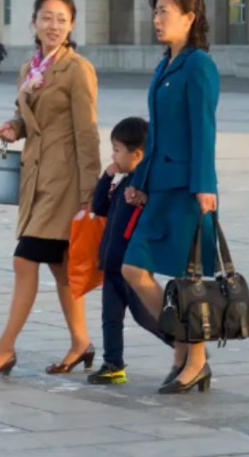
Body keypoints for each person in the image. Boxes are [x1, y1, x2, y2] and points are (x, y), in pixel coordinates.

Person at [0, 0, 101, 378]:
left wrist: (90, 194)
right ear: (34, 22)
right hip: (35, 178)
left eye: (62, 19)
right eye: (47, 17)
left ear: (72, 25)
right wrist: (16, 126)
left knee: (24, 259)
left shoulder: (78, 69)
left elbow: (87, 132)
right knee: (60, 266)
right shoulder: (30, 67)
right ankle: (81, 343)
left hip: (65, 182)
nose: (54, 26)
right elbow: (26, 115)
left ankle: (5, 348)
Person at [121, 0, 220, 394]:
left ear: (189, 18)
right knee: (133, 267)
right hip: (159, 187)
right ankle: (182, 342)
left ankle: (193, 359)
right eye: (155, 12)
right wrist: (139, 181)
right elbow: (156, 132)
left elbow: (204, 130)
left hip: (186, 190)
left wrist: (204, 187)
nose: (157, 19)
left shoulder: (198, 65)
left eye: (165, 11)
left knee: (188, 279)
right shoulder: (166, 65)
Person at [87, 117, 171, 386]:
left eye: (117, 150)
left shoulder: (142, 186)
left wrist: (143, 199)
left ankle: (187, 349)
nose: (113, 155)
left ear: (137, 154)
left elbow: (157, 216)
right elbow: (98, 207)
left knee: (147, 317)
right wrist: (107, 176)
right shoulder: (124, 182)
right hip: (111, 265)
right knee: (110, 318)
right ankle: (113, 365)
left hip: (132, 267)